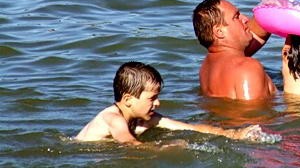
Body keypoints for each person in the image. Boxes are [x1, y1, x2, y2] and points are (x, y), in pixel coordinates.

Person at [75, 61, 263, 144]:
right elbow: (128, 143)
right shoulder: (113, 119)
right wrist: (161, 149)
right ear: (128, 100)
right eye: (152, 98)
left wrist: (233, 134)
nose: (157, 103)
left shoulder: (146, 118)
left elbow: (191, 128)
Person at [193, 0, 276, 101]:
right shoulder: (247, 68)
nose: (245, 19)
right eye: (236, 17)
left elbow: (257, 34)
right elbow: (253, 111)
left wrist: (270, 8)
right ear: (219, 32)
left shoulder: (206, 68)